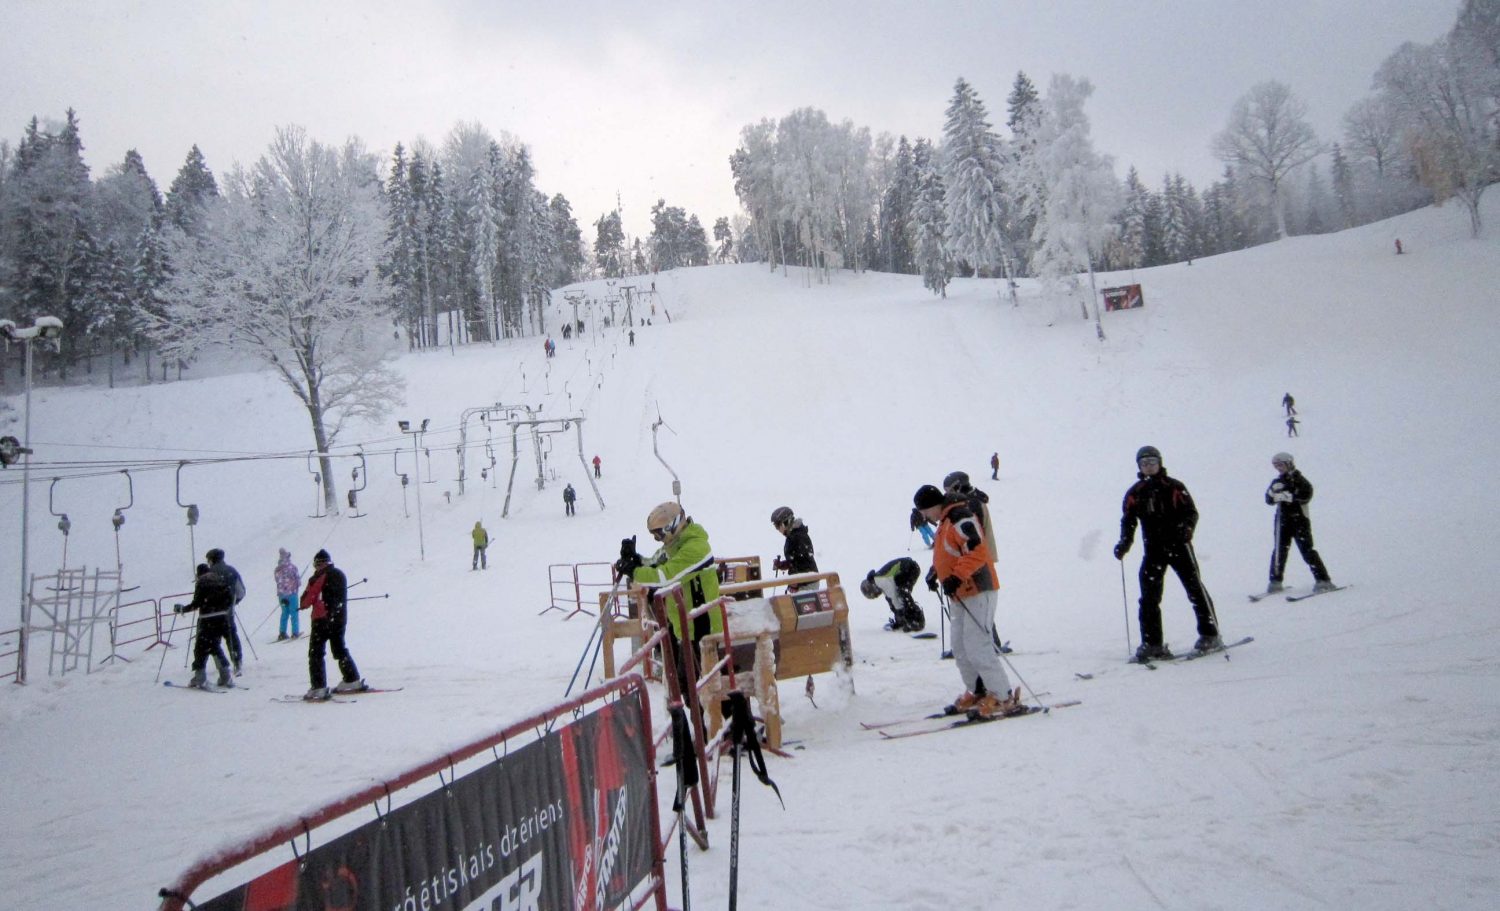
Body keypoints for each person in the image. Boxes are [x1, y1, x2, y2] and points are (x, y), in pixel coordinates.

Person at [914, 484, 1018, 719]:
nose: (923, 516)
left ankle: (1002, 695)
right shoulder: (946, 521)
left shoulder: (960, 517)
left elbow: (978, 552)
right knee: (960, 647)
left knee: (977, 644)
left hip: (979, 588)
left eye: (923, 511)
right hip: (961, 592)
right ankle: (978, 690)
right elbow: (950, 553)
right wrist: (936, 573)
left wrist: (956, 577)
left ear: (931, 506)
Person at [1113, 446, 1222, 661]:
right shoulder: (1135, 492)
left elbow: (1191, 512)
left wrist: (1187, 529)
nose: (1149, 466)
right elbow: (1128, 520)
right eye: (1144, 463)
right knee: (1149, 598)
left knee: (1195, 590)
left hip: (1179, 547)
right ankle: (1152, 643)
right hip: (1153, 550)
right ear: (1139, 466)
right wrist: (1124, 542)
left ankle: (1210, 634)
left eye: (1152, 462)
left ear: (1160, 463)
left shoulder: (1174, 487)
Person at [613, 502, 723, 693]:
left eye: (659, 534)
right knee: (687, 689)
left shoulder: (696, 547)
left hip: (702, 629)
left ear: (672, 526)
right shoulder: (674, 547)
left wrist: (635, 572)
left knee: (701, 690)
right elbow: (653, 563)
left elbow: (665, 576)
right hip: (685, 627)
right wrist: (635, 560)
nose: (658, 540)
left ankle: (734, 719)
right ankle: (726, 719)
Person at [1265, 452, 1335, 594]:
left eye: (1281, 465)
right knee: (1279, 550)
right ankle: (1275, 581)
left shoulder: (1299, 480)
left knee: (1306, 549)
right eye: (1276, 465)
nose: (1279, 468)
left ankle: (1323, 579)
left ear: (1289, 463)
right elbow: (1268, 499)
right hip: (1282, 521)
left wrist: (1289, 496)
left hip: (1299, 519)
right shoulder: (1277, 482)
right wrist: (1273, 493)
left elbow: (1305, 495)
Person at [300, 549, 364, 700]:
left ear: (318, 564)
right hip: (339, 619)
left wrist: (306, 599)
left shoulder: (318, 577)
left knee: (316, 653)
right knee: (339, 649)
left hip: (321, 620)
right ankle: (352, 679)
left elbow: (305, 601)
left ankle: (319, 687)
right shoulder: (339, 574)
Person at [174, 562, 235, 688]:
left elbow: (197, 603)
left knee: (201, 648)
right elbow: (230, 597)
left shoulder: (202, 582)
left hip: (207, 620)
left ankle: (200, 677)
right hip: (222, 619)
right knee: (214, 646)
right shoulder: (220, 580)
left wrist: (182, 609)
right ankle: (225, 675)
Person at [205, 548, 246, 674]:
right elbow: (241, 591)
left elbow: (202, 592)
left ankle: (221, 666)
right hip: (228, 611)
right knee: (231, 636)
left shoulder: (208, 573)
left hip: (211, 613)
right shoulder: (231, 571)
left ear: (212, 559)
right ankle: (237, 661)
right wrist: (234, 602)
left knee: (213, 640)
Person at [859, 557, 926, 632]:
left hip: (911, 569)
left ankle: (916, 620)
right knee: (899, 595)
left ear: (872, 588)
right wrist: (898, 617)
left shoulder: (881, 581)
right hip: (904, 572)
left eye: (875, 595)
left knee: (902, 592)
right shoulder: (878, 580)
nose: (877, 595)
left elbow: (894, 596)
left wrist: (901, 613)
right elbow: (890, 600)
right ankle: (908, 618)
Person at [943, 471, 997, 557]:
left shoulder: (972, 504)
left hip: (975, 556)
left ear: (959, 487)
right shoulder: (962, 503)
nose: (948, 494)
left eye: (949, 490)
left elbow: (982, 532)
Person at [770, 506, 818, 591]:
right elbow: (795, 560)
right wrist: (783, 565)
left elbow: (803, 562)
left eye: (777, 525)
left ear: (785, 522)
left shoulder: (798, 536)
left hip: (807, 583)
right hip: (802, 582)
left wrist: (796, 583)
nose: (777, 529)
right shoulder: (793, 535)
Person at [274, 548, 301, 640]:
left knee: (284, 613)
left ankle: (282, 633)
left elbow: (277, 581)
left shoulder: (277, 569)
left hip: (281, 595)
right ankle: (295, 633)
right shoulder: (293, 567)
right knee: (294, 613)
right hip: (292, 594)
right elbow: (298, 581)